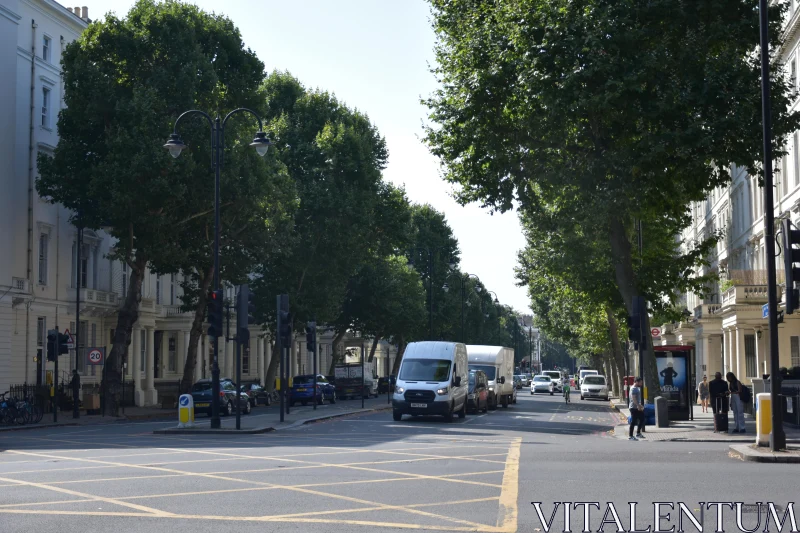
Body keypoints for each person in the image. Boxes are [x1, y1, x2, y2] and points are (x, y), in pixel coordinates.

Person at [628, 377, 644, 441]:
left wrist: (639, 405)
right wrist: (638, 405)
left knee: (642, 419)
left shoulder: (636, 388)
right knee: (633, 422)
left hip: (637, 407)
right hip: (633, 408)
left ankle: (638, 433)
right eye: (640, 382)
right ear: (636, 382)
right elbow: (633, 398)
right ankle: (631, 436)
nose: (641, 383)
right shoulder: (634, 389)